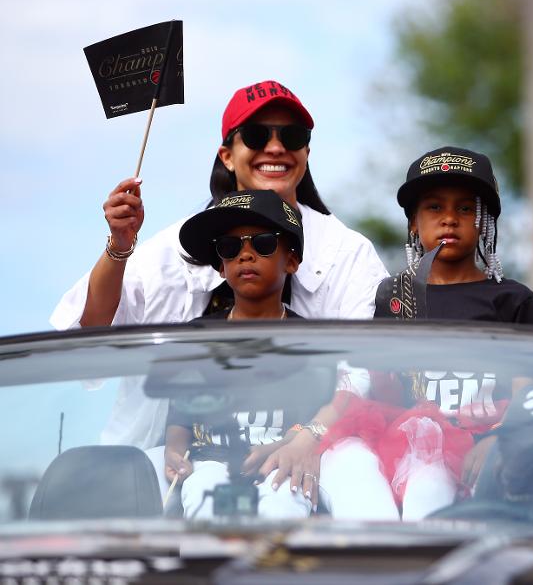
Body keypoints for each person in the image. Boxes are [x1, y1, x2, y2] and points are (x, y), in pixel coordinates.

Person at [51, 80, 387, 484]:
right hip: (163, 470)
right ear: (227, 156)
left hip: (306, 467)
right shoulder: (167, 253)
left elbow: (365, 374)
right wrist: (119, 247)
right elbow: (90, 347)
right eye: (257, 135)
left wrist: (306, 438)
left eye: (292, 136)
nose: (276, 148)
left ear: (306, 153)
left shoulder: (348, 254)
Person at [313, 146, 533, 520]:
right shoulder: (393, 299)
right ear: (413, 223)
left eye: (465, 209)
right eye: (434, 207)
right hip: (403, 451)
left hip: (489, 453)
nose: (449, 219)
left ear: (484, 219)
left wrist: (500, 440)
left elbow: (530, 393)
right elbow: (372, 385)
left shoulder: (513, 301)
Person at [166, 188, 312, 517]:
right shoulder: (198, 336)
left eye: (262, 242)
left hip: (282, 463)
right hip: (211, 463)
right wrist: (174, 450)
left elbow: (316, 420)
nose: (245, 255)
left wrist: (285, 447)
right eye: (230, 247)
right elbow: (180, 415)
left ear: (291, 259)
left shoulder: (311, 339)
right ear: (220, 266)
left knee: (284, 508)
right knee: (209, 504)